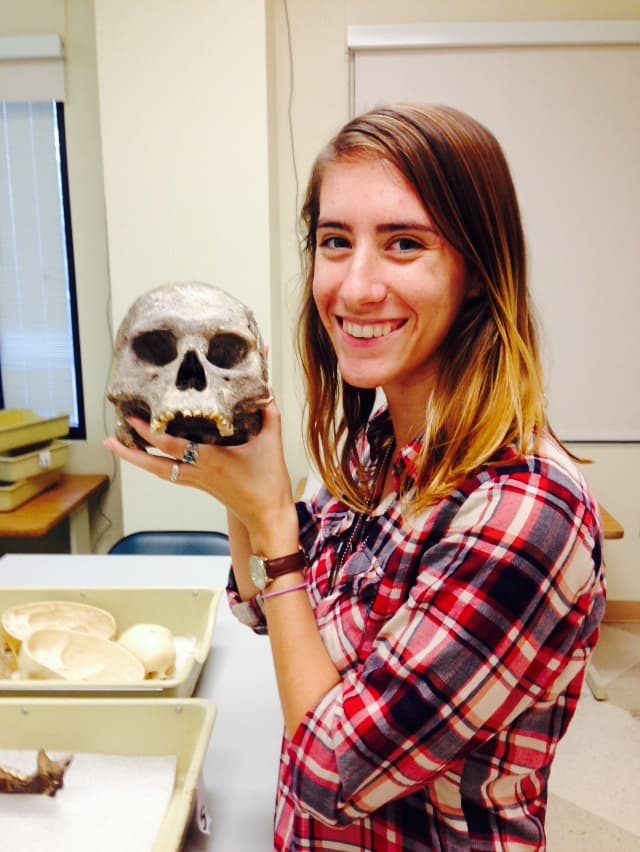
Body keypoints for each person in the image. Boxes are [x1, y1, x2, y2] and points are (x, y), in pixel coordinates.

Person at [105, 103, 605, 851]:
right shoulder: (376, 448)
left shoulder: (525, 517)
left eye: (405, 244)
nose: (355, 286)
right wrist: (233, 483)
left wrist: (274, 522)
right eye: (335, 242)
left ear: (477, 272)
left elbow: (330, 775)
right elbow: (270, 614)